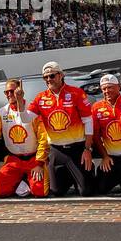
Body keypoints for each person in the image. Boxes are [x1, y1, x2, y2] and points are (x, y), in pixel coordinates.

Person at [27, 61, 95, 197]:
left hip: (77, 148)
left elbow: (88, 121)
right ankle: (73, 173)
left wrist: (87, 149)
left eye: (52, 76)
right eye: (45, 77)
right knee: (56, 192)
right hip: (56, 150)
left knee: (85, 192)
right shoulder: (40, 97)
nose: (48, 80)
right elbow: (26, 119)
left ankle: (85, 171)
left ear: (61, 75)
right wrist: (19, 102)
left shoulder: (76, 93)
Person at [0, 78, 49, 198]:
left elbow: (44, 138)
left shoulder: (33, 109)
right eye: (6, 92)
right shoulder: (1, 113)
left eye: (12, 91)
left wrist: (39, 163)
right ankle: (20, 180)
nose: (9, 94)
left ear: (20, 90)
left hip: (33, 159)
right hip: (14, 159)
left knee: (40, 192)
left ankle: (27, 179)